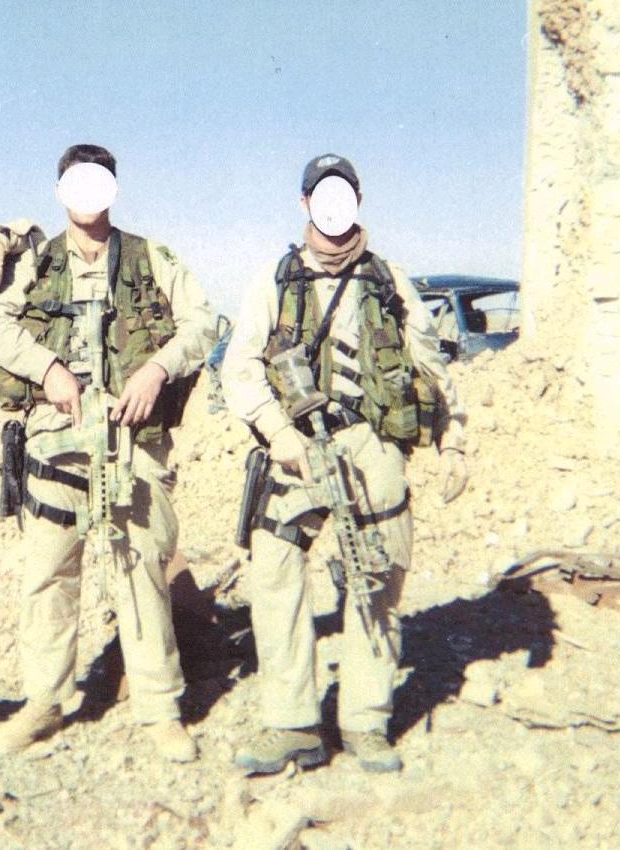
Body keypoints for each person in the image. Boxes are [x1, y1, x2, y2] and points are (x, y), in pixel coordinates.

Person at [0, 144, 215, 762]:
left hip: (134, 438)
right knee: (49, 573)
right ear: (59, 193)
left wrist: (157, 370)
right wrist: (47, 368)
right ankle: (45, 702)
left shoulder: (152, 257)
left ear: (113, 190)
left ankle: (159, 707)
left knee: (142, 568)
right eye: (75, 183)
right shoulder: (37, 262)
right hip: (57, 439)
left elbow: (203, 323)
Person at [221, 153, 468, 775]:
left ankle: (365, 722)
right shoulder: (275, 279)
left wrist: (454, 439)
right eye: (321, 196)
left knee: (377, 576)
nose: (333, 208)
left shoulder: (388, 279)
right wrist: (279, 433)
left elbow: (430, 363)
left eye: (344, 194)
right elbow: (239, 368)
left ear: (358, 201)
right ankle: (293, 724)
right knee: (276, 577)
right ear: (305, 204)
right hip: (295, 448)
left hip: (371, 443)